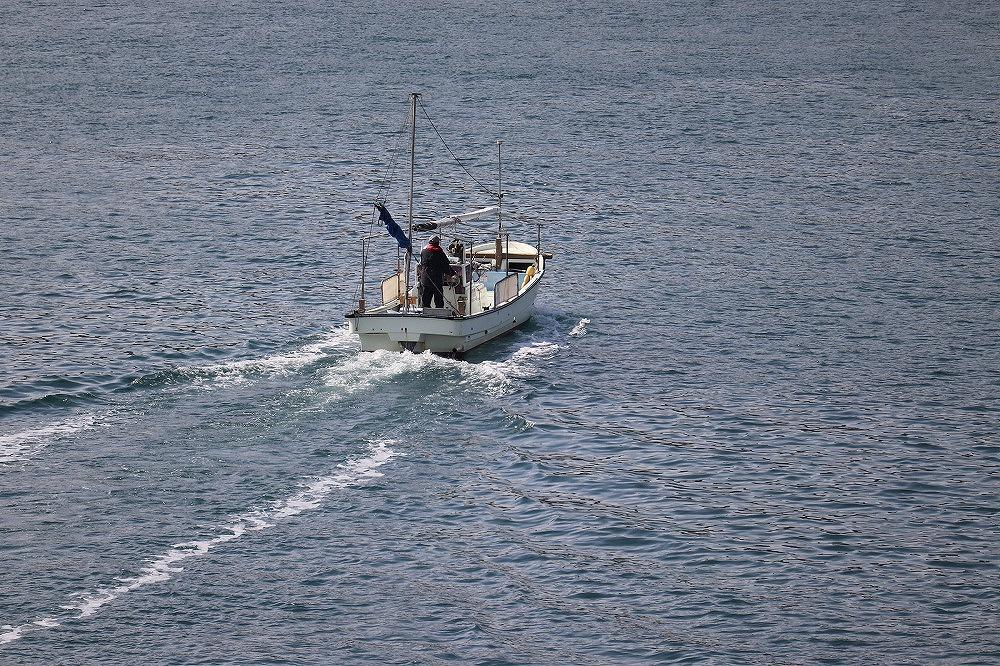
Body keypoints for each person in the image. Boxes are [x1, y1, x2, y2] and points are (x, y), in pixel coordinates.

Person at [419, 236, 453, 308]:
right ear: (437, 243)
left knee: (426, 300)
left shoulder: (424, 251)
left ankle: (425, 312)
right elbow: (445, 264)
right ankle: (439, 312)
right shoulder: (439, 252)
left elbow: (422, 263)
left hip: (426, 279)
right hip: (436, 280)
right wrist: (451, 274)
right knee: (439, 300)